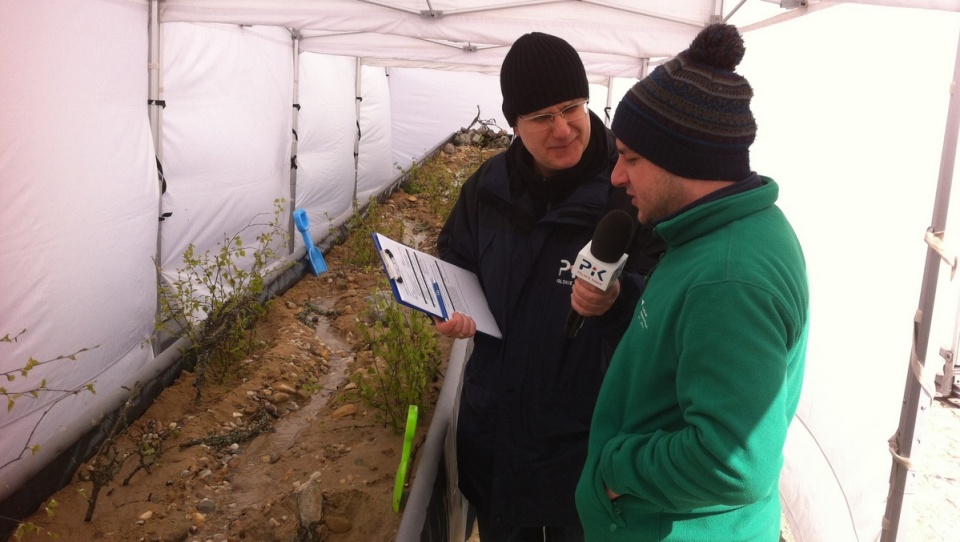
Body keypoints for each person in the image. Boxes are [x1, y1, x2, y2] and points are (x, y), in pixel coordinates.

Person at [574, 23, 809, 541]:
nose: (616, 176)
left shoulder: (728, 278)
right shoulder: (715, 234)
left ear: (689, 161)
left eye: (631, 158)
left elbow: (734, 462)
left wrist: (617, 468)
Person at [435, 32, 664, 541]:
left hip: (586, 447)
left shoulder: (630, 190)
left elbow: (670, 296)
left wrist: (619, 296)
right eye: (541, 117)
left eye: (571, 107)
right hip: (496, 431)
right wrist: (452, 305)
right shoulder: (487, 188)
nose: (562, 129)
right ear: (513, 123)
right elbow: (456, 256)